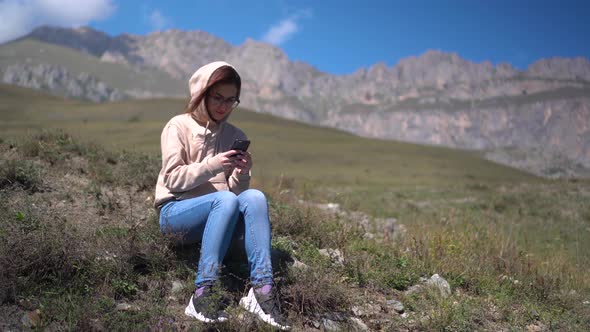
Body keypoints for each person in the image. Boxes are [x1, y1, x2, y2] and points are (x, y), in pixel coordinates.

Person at [153, 61, 290, 330]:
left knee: (255, 197)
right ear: (201, 94)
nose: (223, 106)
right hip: (175, 213)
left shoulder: (235, 135)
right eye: (217, 98)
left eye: (231, 100)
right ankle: (202, 294)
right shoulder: (177, 126)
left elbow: (236, 196)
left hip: (220, 215)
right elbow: (173, 180)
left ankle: (261, 291)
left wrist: (242, 173)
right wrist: (214, 165)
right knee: (225, 200)